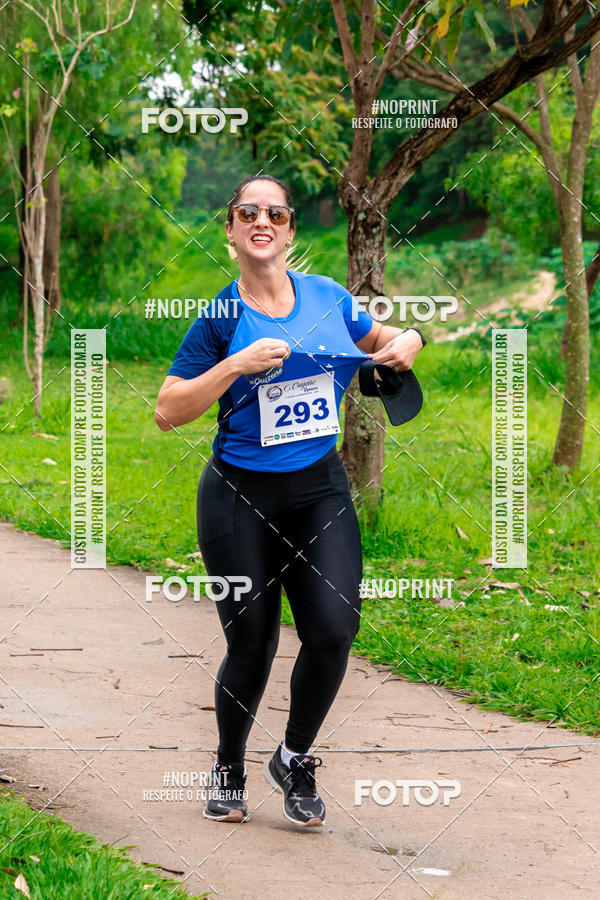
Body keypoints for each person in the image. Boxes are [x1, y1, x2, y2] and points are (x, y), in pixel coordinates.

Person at [154, 174, 425, 827]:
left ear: (291, 229)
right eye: (248, 211)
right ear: (231, 228)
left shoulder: (329, 298)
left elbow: (388, 339)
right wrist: (235, 367)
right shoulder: (222, 317)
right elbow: (168, 409)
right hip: (239, 495)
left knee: (333, 631)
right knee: (251, 643)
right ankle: (227, 766)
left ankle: (294, 757)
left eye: (275, 212)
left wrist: (406, 344)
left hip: (318, 487)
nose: (262, 220)